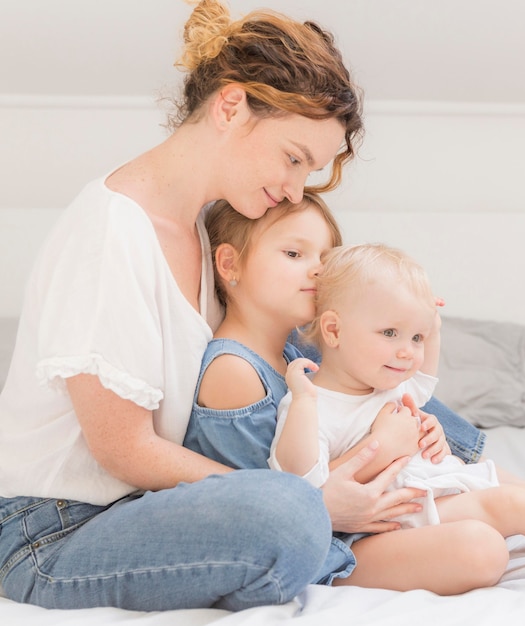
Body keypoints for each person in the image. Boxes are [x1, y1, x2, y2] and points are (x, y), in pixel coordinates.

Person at [0, 0, 420, 612]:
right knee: (289, 510)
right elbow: (124, 450)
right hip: (52, 534)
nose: (297, 189)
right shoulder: (111, 232)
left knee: (358, 358)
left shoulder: (204, 230)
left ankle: (482, 491)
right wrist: (314, 497)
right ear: (230, 107)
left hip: (144, 511)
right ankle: (329, 539)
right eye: (294, 157)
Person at [187, 196, 515, 594]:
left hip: (356, 519)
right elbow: (273, 505)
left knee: (503, 503)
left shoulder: (293, 350)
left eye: (325, 259)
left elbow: (387, 402)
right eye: (294, 253)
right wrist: (384, 444)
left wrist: (422, 432)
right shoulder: (234, 370)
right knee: (483, 545)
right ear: (229, 264)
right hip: (319, 548)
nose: (317, 270)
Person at [270, 242, 525, 590]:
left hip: (429, 502)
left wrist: (432, 328)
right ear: (333, 330)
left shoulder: (385, 384)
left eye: (416, 338)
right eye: (390, 333)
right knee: (511, 504)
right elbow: (302, 482)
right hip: (392, 519)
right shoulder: (313, 403)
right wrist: (302, 401)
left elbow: (423, 382)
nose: (408, 352)